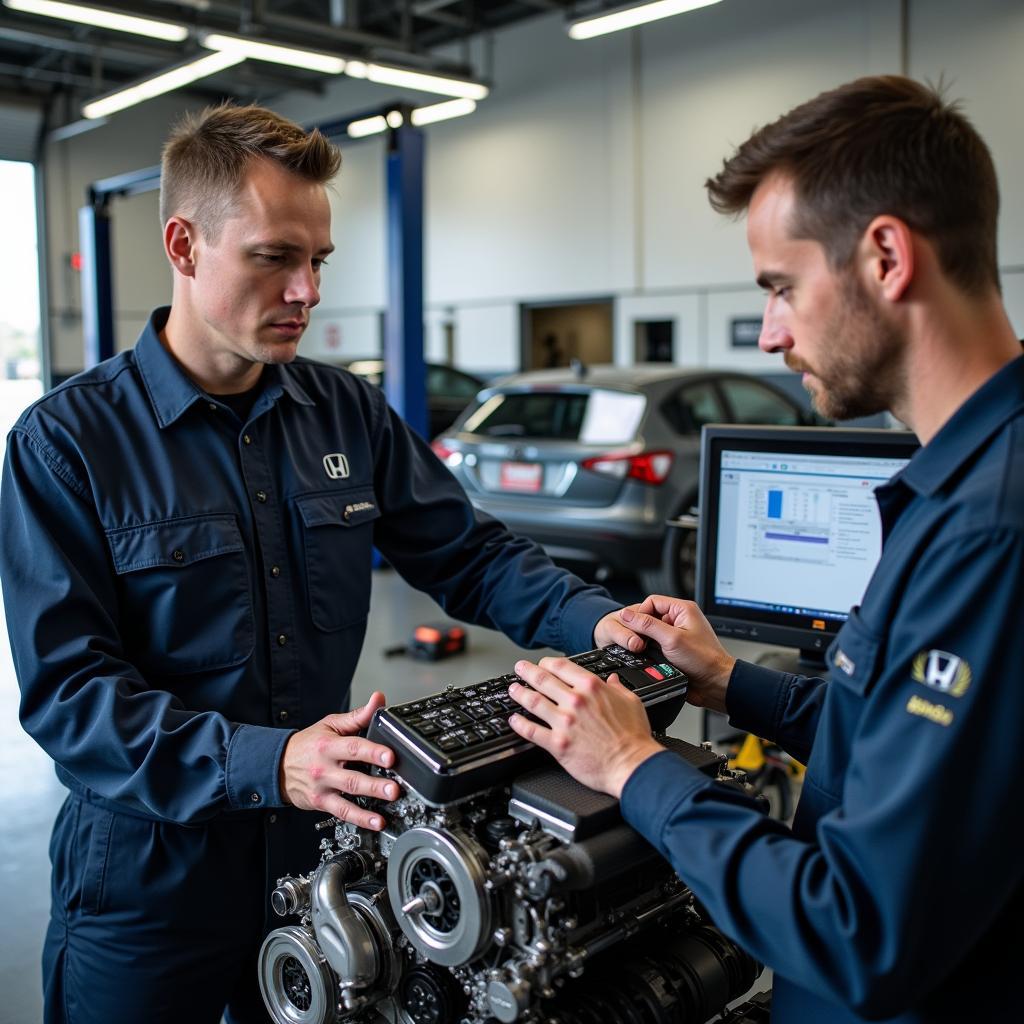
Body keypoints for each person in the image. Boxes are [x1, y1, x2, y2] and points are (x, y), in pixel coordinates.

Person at [0, 105, 644, 1024]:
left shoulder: (345, 413)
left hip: (318, 867)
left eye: (319, 262)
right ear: (183, 245)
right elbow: (70, 697)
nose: (307, 291)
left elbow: (472, 555)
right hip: (146, 888)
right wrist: (272, 761)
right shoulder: (67, 445)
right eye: (273, 258)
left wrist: (598, 623)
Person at [507, 75, 1024, 1023]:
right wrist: (724, 681)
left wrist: (632, 768)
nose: (769, 332)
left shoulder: (989, 530)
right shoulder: (971, 479)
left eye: (782, 288)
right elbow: (894, 749)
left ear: (885, 257)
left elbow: (862, 934)